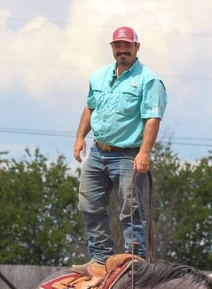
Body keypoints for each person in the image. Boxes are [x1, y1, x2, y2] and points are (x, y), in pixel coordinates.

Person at [71, 26, 167, 274]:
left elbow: (152, 118)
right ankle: (100, 259)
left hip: (128, 155)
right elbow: (90, 107)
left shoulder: (149, 80)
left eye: (127, 46)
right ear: (112, 48)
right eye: (117, 46)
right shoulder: (98, 77)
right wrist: (80, 136)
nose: (122, 50)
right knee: (89, 204)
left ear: (137, 47)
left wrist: (144, 152)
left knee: (131, 209)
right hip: (98, 152)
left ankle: (134, 260)